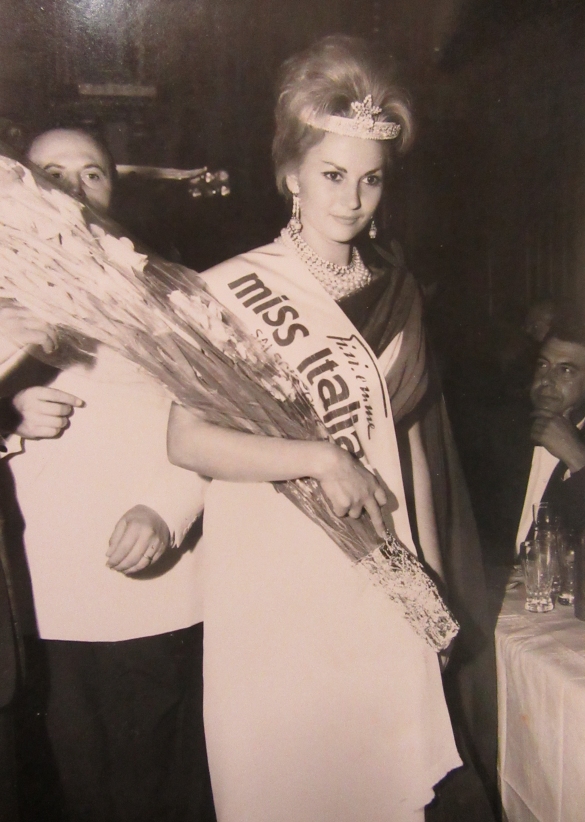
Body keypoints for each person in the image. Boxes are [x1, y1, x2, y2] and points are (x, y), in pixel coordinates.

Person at [167, 36, 468, 822]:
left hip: (375, 573)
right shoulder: (231, 288)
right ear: (289, 173)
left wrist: (426, 582)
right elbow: (186, 442)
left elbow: (407, 457)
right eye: (332, 175)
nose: (351, 198)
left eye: (370, 179)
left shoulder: (398, 293)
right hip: (272, 583)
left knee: (378, 787)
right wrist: (315, 456)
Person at [0, 129, 209, 822]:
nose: (69, 190)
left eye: (91, 174)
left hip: (148, 595)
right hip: (34, 610)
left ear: (113, 191)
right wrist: (6, 412)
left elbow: (218, 424)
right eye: (50, 173)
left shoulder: (167, 299)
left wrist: (165, 511)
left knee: (155, 794)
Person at [516, 312, 585, 545]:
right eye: (543, 365)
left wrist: (578, 460)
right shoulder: (503, 434)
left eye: (565, 370)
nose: (546, 380)